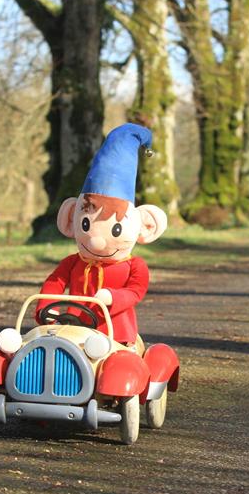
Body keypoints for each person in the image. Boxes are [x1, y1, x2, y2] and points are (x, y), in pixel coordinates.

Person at [36, 123, 167, 351]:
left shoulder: (134, 266)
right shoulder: (73, 262)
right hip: (73, 330)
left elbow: (135, 292)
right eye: (85, 224)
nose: (95, 241)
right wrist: (48, 307)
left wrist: (113, 297)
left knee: (119, 366)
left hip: (117, 336)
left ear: (146, 226)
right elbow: (54, 283)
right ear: (70, 218)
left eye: (116, 229)